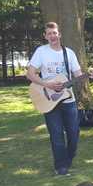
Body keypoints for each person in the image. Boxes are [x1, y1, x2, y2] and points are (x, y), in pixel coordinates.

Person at [26, 22, 85, 176]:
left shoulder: (69, 53)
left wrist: (87, 75)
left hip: (68, 99)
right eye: (49, 33)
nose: (52, 36)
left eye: (54, 33)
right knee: (56, 134)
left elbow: (78, 74)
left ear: (59, 35)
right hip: (49, 100)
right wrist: (48, 84)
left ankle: (68, 159)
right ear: (46, 36)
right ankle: (61, 167)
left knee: (74, 133)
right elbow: (30, 74)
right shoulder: (41, 52)